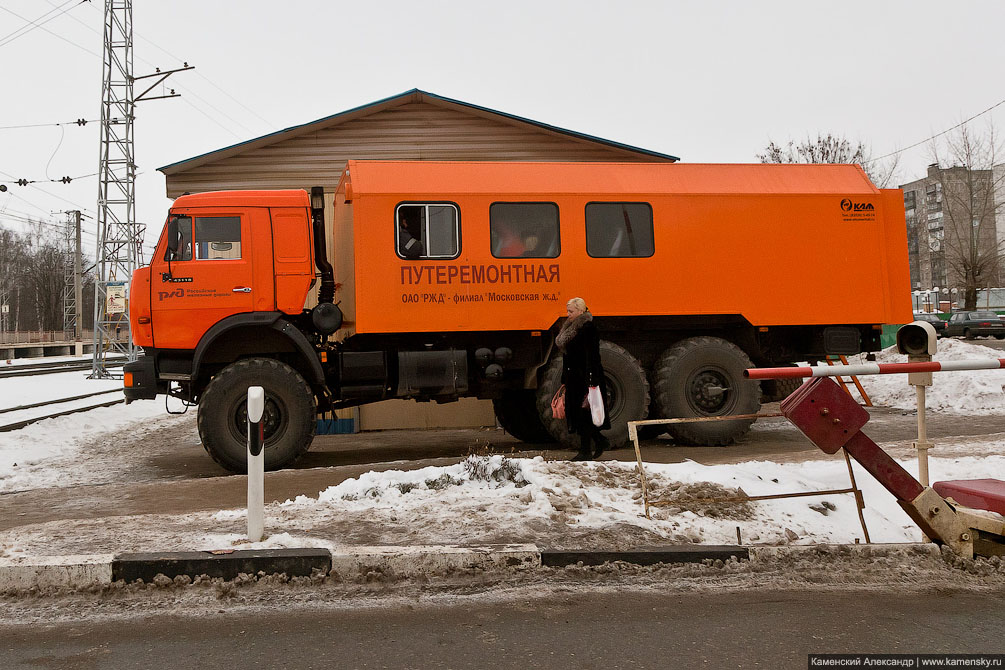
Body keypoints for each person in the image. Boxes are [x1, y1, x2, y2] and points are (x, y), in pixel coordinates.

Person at [555, 297, 610, 461]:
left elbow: (592, 356)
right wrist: (565, 379)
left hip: (584, 378)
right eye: (568, 311)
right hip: (573, 379)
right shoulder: (570, 328)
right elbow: (568, 357)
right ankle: (600, 441)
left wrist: (591, 382)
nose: (568, 314)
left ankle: (586, 450)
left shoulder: (588, 328)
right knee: (577, 414)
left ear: (580, 311)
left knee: (584, 415)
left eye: (571, 311)